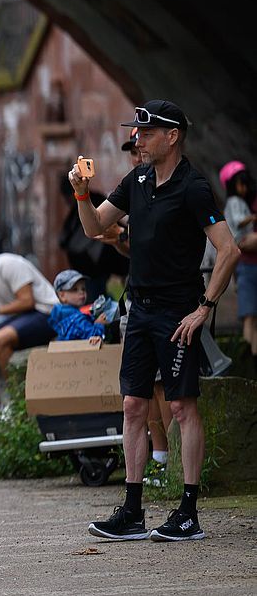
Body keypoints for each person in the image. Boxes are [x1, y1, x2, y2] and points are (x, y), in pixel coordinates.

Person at [75, 99, 239, 543]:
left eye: (147, 134)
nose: (138, 140)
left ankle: (188, 511)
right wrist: (81, 194)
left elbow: (229, 250)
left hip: (176, 310)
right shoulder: (137, 178)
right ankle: (132, 510)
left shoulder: (193, 187)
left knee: (183, 406)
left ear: (172, 137)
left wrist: (204, 307)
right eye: (137, 134)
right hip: (140, 308)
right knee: (133, 404)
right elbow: (94, 229)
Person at [0, 253, 59, 383]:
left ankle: (16, 396)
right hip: (21, 317)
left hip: (47, 312)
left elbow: (27, 301)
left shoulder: (6, 264)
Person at [220, 162, 257, 372]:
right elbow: (239, 222)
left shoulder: (242, 201)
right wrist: (252, 217)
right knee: (249, 314)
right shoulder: (235, 202)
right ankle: (246, 359)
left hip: (245, 252)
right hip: (243, 248)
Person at [49, 270, 108, 343]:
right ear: (62, 296)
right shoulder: (77, 319)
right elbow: (93, 338)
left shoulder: (61, 316)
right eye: (75, 289)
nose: (81, 292)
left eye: (83, 289)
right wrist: (99, 324)